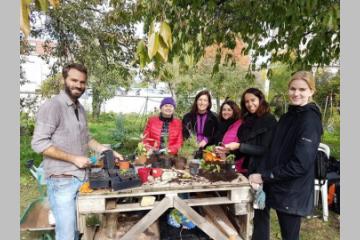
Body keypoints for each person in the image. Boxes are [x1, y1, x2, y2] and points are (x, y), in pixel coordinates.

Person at [31, 63, 123, 240]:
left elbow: (86, 138)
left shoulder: (79, 108)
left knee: (77, 230)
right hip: (61, 181)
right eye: (74, 80)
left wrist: (107, 150)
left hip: (81, 178)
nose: (79, 85)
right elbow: (38, 143)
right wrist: (74, 159)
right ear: (64, 79)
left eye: (82, 82)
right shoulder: (53, 106)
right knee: (66, 234)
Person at [249, 71, 323, 240]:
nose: (296, 93)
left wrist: (266, 176)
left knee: (289, 236)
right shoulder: (287, 116)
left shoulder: (310, 120)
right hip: (276, 184)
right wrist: (261, 175)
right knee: (260, 221)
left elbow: (300, 164)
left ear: (312, 91)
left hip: (293, 190)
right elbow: (273, 149)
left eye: (302, 89)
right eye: (293, 88)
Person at [223, 88, 277, 175]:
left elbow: (265, 150)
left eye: (253, 100)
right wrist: (226, 152)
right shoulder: (247, 120)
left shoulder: (269, 120)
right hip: (248, 169)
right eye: (247, 101)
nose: (250, 104)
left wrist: (239, 146)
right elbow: (243, 150)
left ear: (260, 100)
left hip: (262, 171)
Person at [182, 90, 218, 155]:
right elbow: (185, 133)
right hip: (191, 149)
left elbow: (217, 134)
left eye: (205, 100)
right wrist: (193, 142)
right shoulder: (187, 117)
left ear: (208, 103)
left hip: (209, 150)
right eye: (200, 100)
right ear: (196, 102)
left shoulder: (214, 117)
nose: (202, 102)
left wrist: (207, 140)